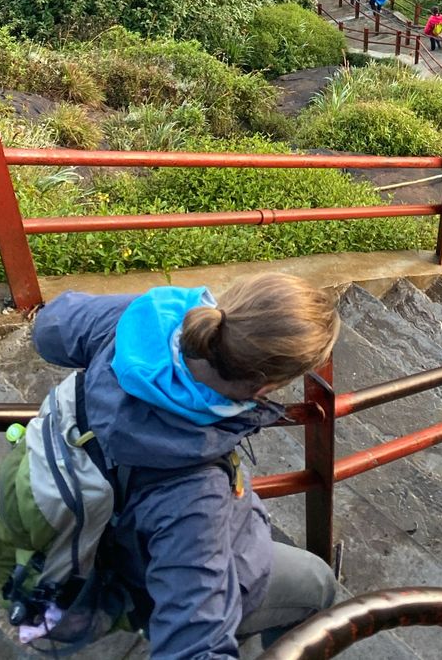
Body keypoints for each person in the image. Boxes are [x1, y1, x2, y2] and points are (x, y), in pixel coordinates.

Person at [18, 275, 340, 659]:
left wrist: (142, 315)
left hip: (103, 525)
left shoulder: (131, 324)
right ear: (264, 387)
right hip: (146, 574)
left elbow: (50, 327)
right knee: (319, 583)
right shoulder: (195, 493)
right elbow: (192, 645)